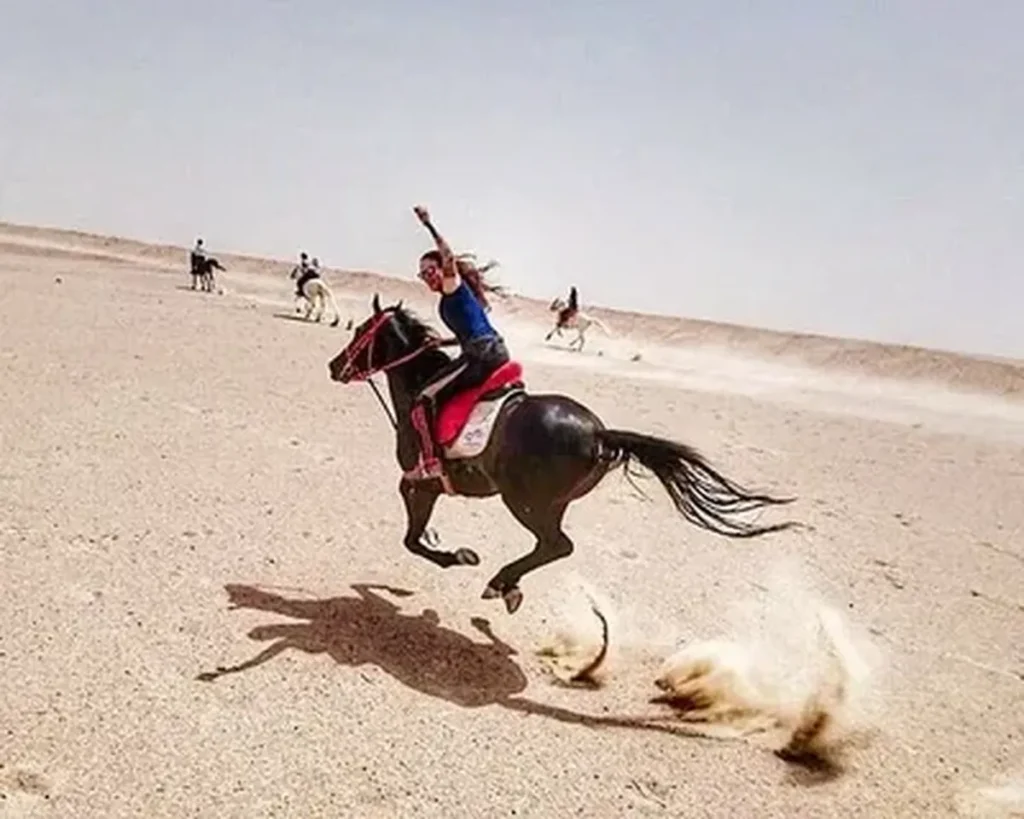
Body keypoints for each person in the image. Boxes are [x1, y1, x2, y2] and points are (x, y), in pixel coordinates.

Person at [409, 205, 511, 480]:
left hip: (481, 354)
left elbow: (447, 254)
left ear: (442, 268)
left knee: (422, 398)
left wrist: (428, 225)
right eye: (423, 274)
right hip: (492, 350)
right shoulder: (449, 300)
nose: (428, 276)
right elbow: (470, 331)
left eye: (431, 270)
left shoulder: (453, 286)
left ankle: (431, 462)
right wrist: (442, 342)